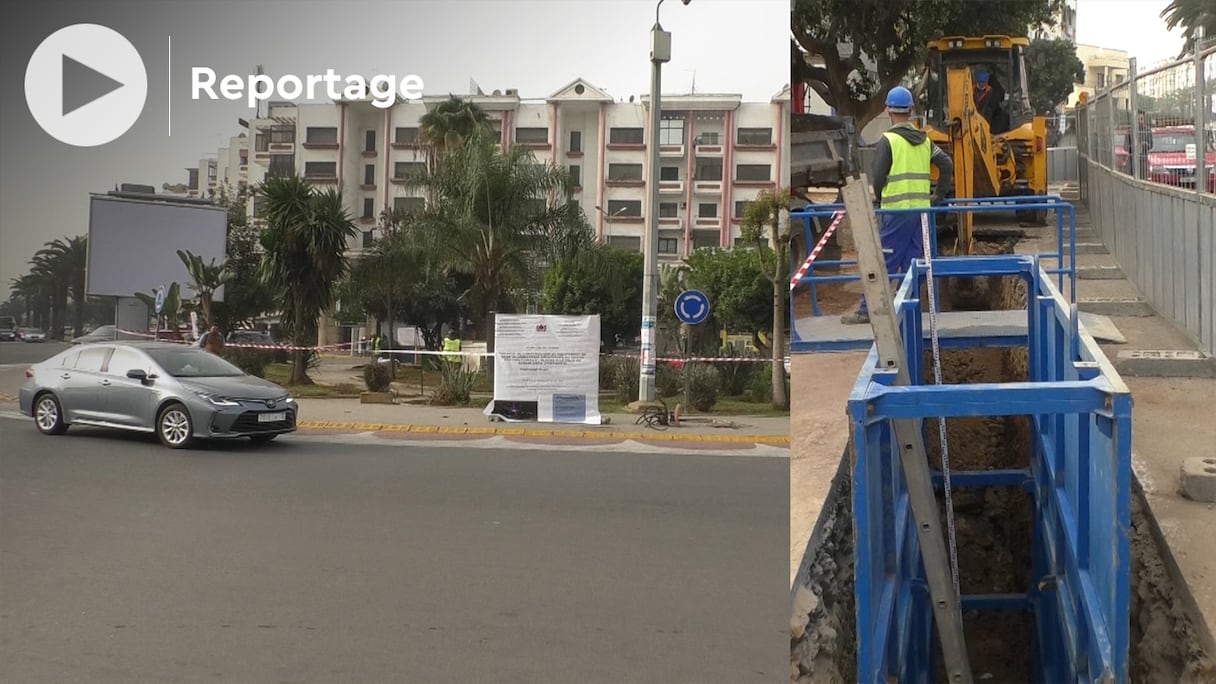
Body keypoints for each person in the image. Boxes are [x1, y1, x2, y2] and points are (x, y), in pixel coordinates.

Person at [841, 86, 955, 325]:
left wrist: (881, 201)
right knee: (914, 262)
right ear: (912, 110)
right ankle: (908, 307)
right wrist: (938, 196)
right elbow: (946, 163)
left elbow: (879, 176)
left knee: (884, 262)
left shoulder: (888, 140)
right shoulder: (924, 140)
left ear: (888, 110)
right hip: (921, 213)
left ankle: (866, 310)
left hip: (896, 212)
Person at [1125, 109, 1153, 180]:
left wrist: (1145, 144)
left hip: (1143, 161)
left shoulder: (1147, 130)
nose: (1140, 121)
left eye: (1141, 119)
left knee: (1142, 180)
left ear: (1144, 119)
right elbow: (1125, 147)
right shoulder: (1130, 131)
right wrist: (1134, 146)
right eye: (1138, 119)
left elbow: (1151, 145)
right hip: (1132, 161)